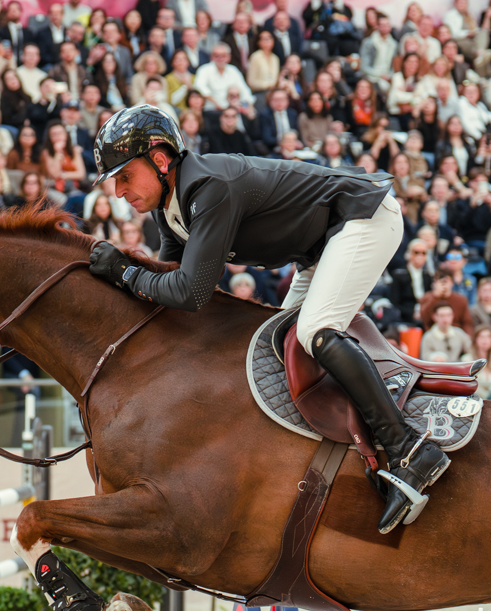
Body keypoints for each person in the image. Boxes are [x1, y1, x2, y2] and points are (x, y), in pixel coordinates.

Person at [85, 104, 443, 545]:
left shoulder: (209, 188)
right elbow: (165, 283)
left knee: (315, 333)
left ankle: (408, 448)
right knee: (276, 344)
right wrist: (122, 278)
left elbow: (190, 294)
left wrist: (123, 272)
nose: (118, 192)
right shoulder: (169, 206)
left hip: (362, 218)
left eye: (124, 177)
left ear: (160, 160)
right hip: (320, 247)